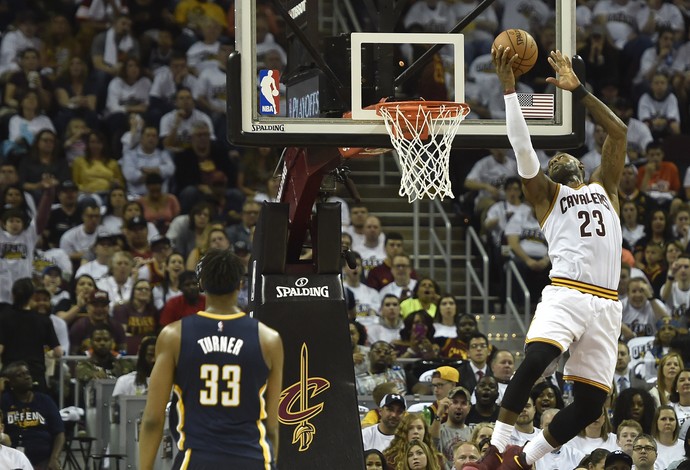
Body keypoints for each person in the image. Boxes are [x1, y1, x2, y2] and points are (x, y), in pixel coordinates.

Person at [465, 48, 628, 470]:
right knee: (537, 359)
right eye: (550, 160)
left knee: (592, 403)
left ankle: (526, 459)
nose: (556, 158)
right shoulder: (547, 197)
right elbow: (523, 148)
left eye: (562, 156)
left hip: (608, 303)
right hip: (568, 292)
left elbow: (619, 131)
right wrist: (508, 90)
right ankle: (496, 450)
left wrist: (581, 92)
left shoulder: (605, 186)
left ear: (577, 163)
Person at [139, 248, 283, 469]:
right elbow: (272, 426)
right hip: (253, 459)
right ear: (240, 285)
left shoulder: (173, 335)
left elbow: (152, 419)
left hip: (197, 460)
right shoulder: (269, 339)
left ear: (202, 284)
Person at [0, 361, 65, 470]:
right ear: (10, 382)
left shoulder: (45, 400)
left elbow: (59, 433)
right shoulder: (4, 401)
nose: (27, 377)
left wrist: (54, 458)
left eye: (27, 373)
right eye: (20, 375)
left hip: (44, 459)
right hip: (13, 459)